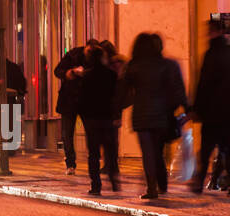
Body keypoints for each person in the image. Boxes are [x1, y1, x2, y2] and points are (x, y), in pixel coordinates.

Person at [190, 19, 230, 197]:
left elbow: (204, 85)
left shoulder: (212, 54)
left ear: (215, 31)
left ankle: (198, 184)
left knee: (206, 151)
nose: (206, 34)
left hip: (214, 113)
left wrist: (197, 109)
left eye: (208, 31)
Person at [121, 33, 187, 200]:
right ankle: (161, 182)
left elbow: (123, 91)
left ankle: (152, 187)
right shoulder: (168, 65)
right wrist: (187, 109)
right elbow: (178, 90)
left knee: (148, 152)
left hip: (142, 115)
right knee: (158, 151)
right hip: (163, 115)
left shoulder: (134, 66)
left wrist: (116, 110)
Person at [78, 43, 123, 195]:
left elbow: (82, 99)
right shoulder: (111, 75)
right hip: (107, 117)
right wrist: (116, 115)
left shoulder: (87, 76)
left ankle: (96, 185)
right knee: (110, 150)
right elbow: (116, 97)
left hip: (92, 119)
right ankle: (113, 180)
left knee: (94, 154)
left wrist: (84, 116)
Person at [53, 39, 97, 175]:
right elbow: (58, 70)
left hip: (87, 101)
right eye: (89, 51)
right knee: (68, 133)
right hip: (69, 100)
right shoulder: (73, 55)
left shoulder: (97, 58)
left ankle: (93, 162)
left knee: (91, 132)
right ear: (86, 48)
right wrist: (70, 72)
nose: (90, 54)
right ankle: (70, 164)